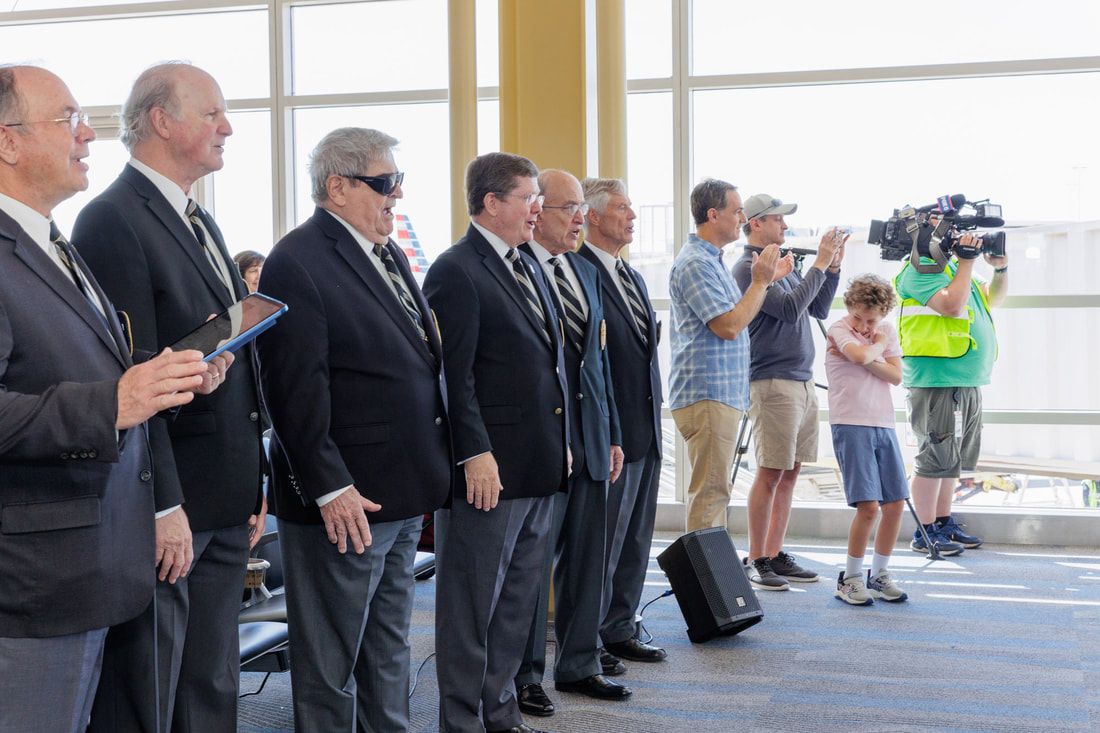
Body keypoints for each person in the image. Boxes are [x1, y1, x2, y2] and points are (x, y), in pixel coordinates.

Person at [0, 64, 217, 733]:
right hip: (36, 583)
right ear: (7, 141)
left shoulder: (48, 239)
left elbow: (84, 366)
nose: (89, 133)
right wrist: (113, 403)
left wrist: (165, 379)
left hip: (94, 563)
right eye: (68, 118)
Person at [72, 61, 267, 732]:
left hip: (224, 491)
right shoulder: (111, 220)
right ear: (162, 120)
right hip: (170, 503)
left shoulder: (198, 218)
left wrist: (255, 479)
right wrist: (162, 504)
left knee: (212, 684)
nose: (227, 127)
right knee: (151, 692)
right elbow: (127, 378)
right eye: (212, 113)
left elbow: (213, 355)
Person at [255, 127, 451, 732]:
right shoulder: (297, 260)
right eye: (385, 182)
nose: (397, 194)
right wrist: (329, 486)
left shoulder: (386, 253)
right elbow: (293, 392)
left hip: (401, 491)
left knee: (388, 646)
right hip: (346, 500)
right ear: (337, 187)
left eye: (398, 180)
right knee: (331, 661)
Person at [423, 152, 569, 733]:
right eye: (528, 198)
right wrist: (472, 452)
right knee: (471, 608)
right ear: (491, 202)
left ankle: (500, 714)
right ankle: (461, 722)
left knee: (515, 604)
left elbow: (549, 366)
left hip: (537, 464)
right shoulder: (455, 270)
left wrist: (562, 440)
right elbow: (451, 376)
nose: (538, 209)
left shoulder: (527, 263)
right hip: (487, 472)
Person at [514, 169, 627, 716]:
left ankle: (580, 663)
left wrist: (613, 434)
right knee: (532, 569)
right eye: (568, 208)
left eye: (582, 207)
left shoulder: (582, 270)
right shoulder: (517, 268)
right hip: (544, 444)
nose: (580, 218)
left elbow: (597, 361)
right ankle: (524, 675)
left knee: (587, 557)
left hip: (592, 438)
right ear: (537, 212)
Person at [731, 193, 843, 591]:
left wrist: (832, 268)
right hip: (772, 380)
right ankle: (756, 557)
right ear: (756, 223)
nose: (785, 226)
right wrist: (818, 263)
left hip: (800, 379)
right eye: (778, 219)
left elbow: (817, 308)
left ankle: (774, 552)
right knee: (771, 471)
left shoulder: (781, 262)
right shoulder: (749, 268)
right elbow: (790, 308)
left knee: (791, 471)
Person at [577, 177, 667, 669]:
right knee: (603, 546)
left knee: (635, 540)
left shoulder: (631, 275)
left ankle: (620, 628)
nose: (632, 216)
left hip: (646, 428)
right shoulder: (579, 271)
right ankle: (587, 641)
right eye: (621, 208)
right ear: (591, 216)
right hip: (612, 432)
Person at [669, 179, 786, 541]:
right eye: (736, 212)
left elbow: (736, 316)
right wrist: (760, 283)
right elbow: (729, 326)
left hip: (719, 395)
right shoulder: (696, 264)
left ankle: (709, 572)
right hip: (707, 394)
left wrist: (766, 281)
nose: (742, 219)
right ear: (712, 214)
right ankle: (704, 577)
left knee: (715, 492)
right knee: (710, 494)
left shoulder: (712, 261)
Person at [894, 227, 1007, 554]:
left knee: (951, 459)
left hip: (966, 379)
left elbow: (994, 298)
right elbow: (952, 307)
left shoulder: (956, 269)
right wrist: (968, 262)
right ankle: (924, 532)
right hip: (936, 380)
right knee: (933, 456)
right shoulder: (918, 272)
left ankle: (942, 521)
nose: (957, 236)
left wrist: (1000, 269)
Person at [825, 274, 910, 605]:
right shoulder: (839, 329)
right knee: (868, 506)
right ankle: (850, 578)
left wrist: (869, 352)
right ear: (850, 306)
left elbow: (896, 376)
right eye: (858, 317)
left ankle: (880, 574)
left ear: (883, 314)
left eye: (871, 320)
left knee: (895, 503)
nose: (863, 325)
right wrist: (877, 349)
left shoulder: (886, 329)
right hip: (850, 423)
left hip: (883, 424)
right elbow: (859, 357)